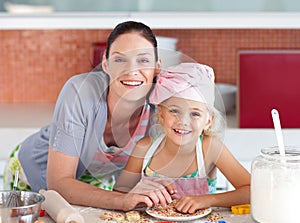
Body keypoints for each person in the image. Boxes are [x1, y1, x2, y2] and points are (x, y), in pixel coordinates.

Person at [4, 20, 167, 211]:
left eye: (143, 60)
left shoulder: (160, 107)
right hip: (33, 174)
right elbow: (59, 183)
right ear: (106, 64)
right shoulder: (80, 91)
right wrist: (121, 200)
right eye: (120, 59)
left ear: (157, 67)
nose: (131, 71)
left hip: (94, 185)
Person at [114, 63, 250, 213]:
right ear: (161, 113)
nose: (183, 121)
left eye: (195, 114)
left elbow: (252, 190)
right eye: (174, 111)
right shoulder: (144, 149)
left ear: (208, 121)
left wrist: (208, 200)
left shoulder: (209, 148)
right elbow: (117, 198)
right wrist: (136, 193)